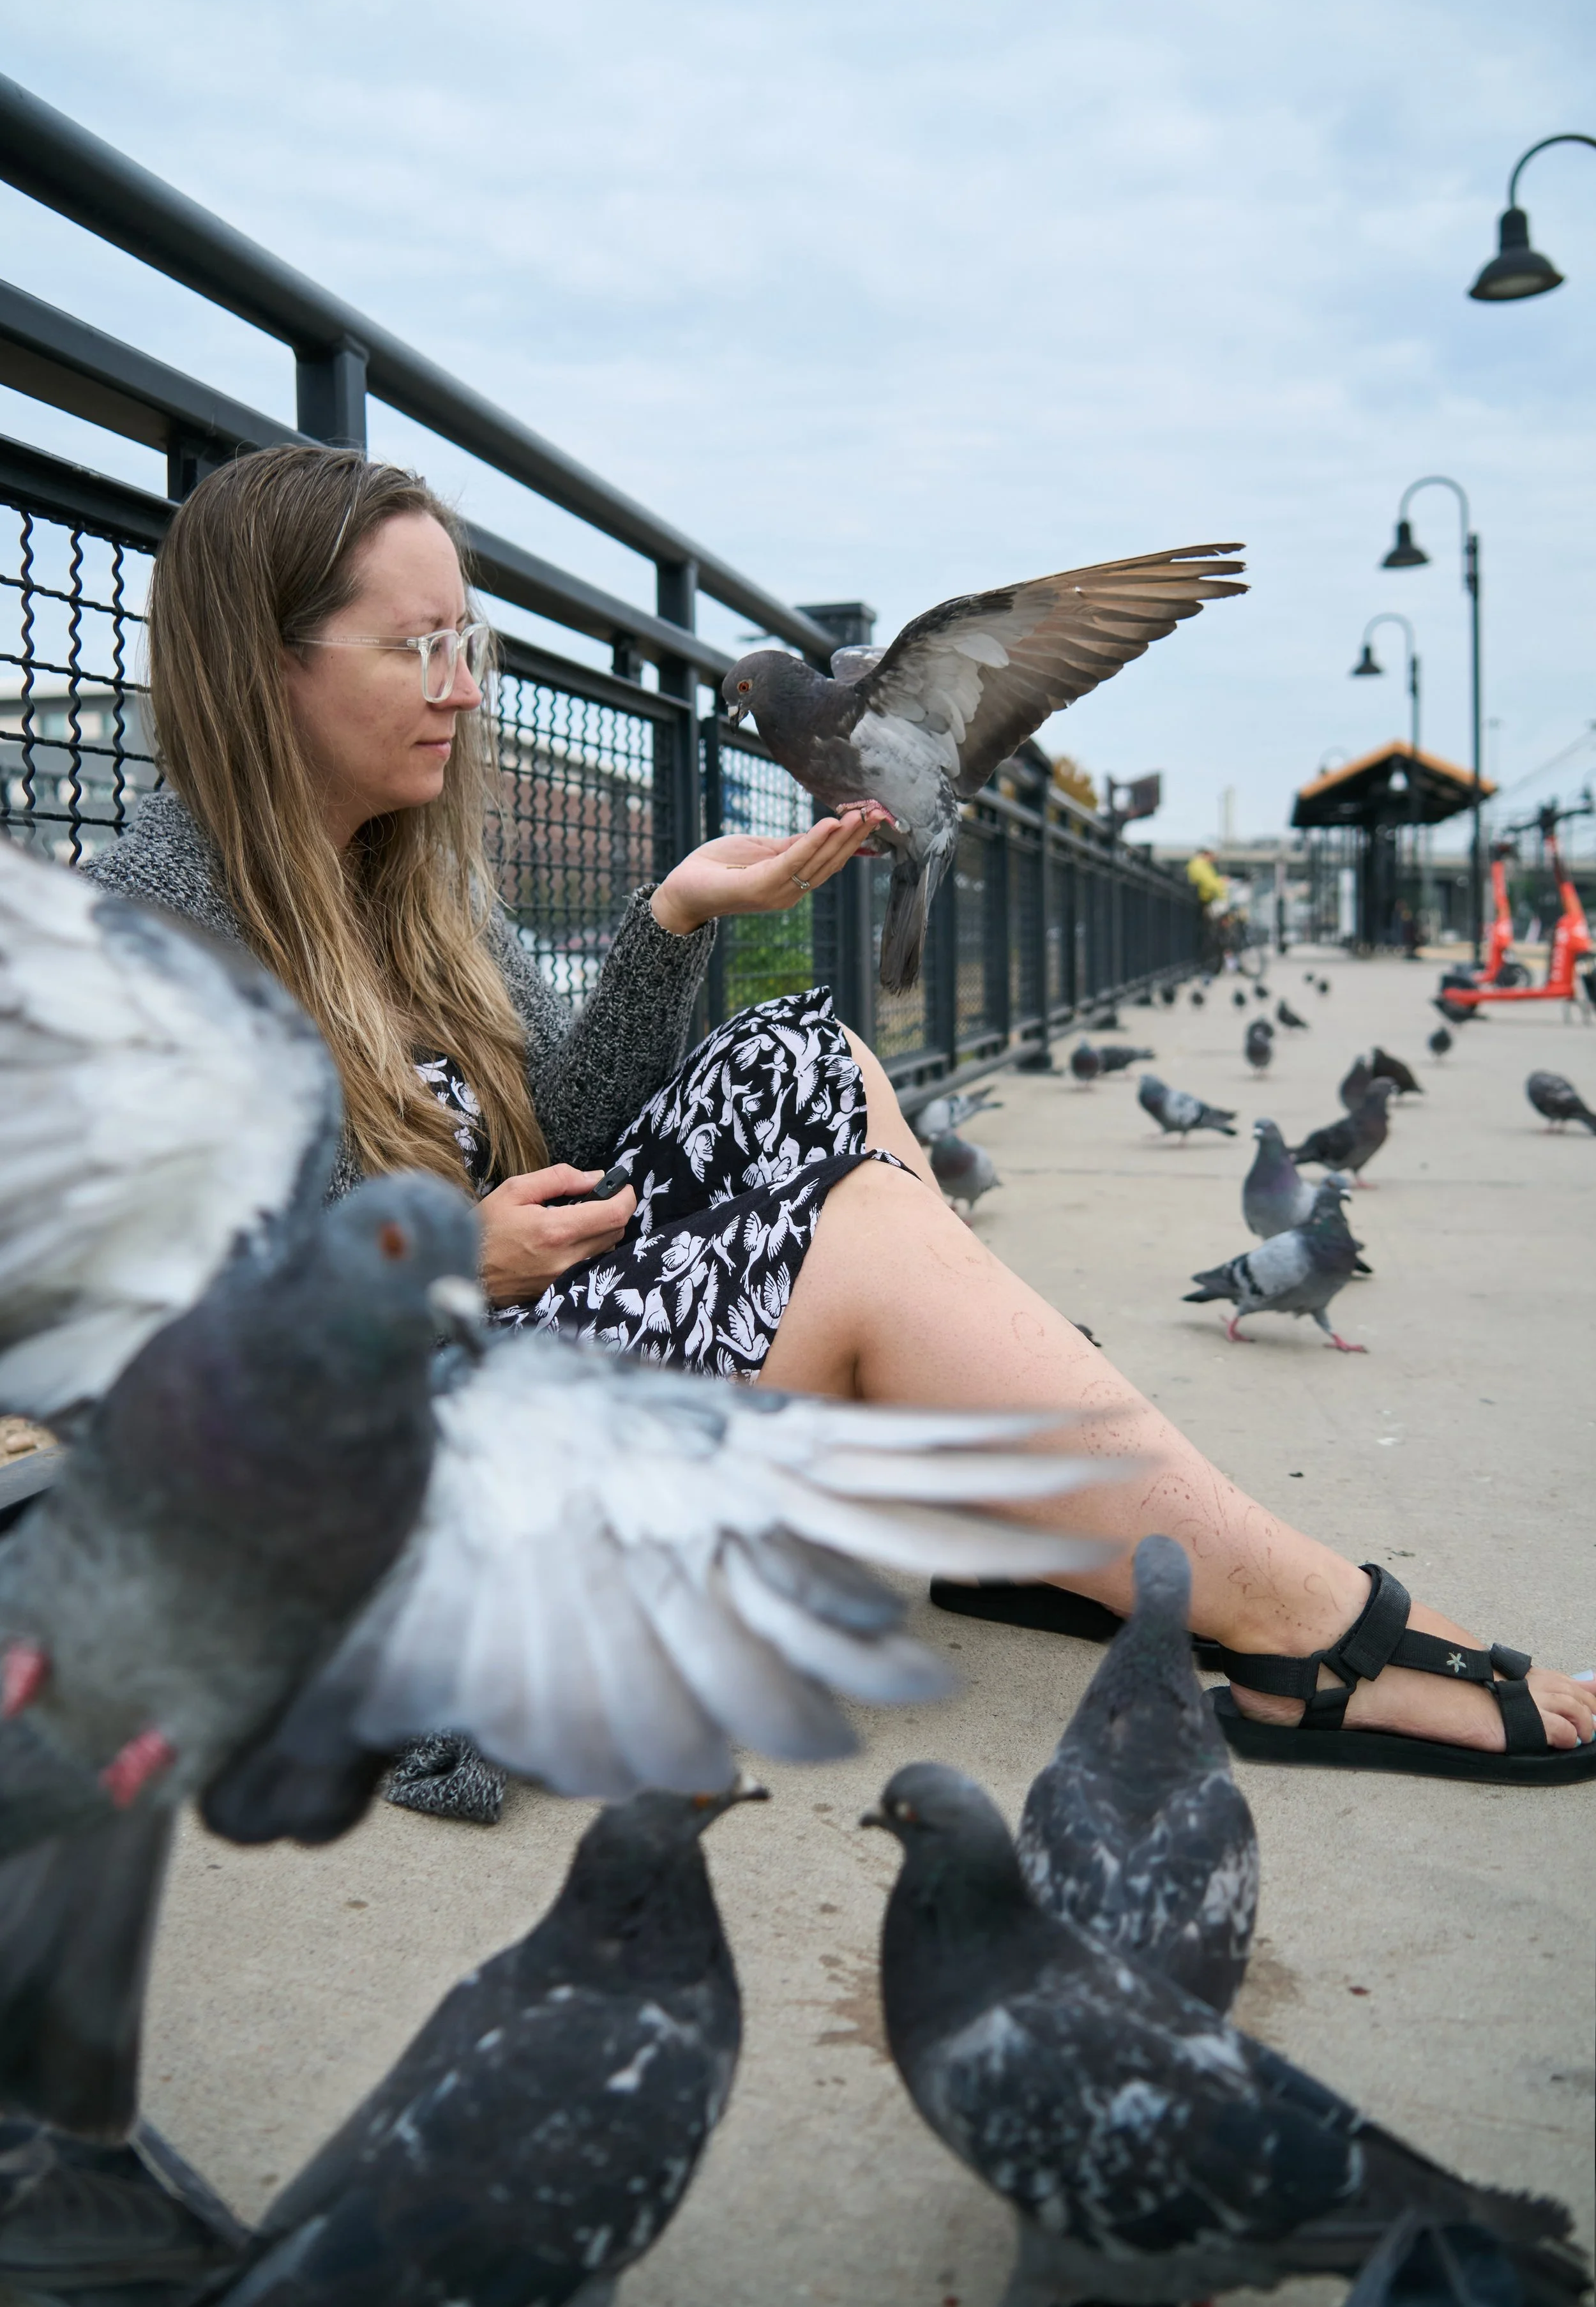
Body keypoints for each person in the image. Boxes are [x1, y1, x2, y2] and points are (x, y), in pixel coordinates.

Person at [89, 447, 1595, 1819]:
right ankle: (1297, 1629)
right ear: (262, 665)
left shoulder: (406, 868)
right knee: (860, 1236)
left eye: (467, 639)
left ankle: (1043, 1514)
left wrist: (675, 915)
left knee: (803, 1053)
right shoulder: (151, 923)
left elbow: (571, 1129)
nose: (466, 684)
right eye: (421, 645)